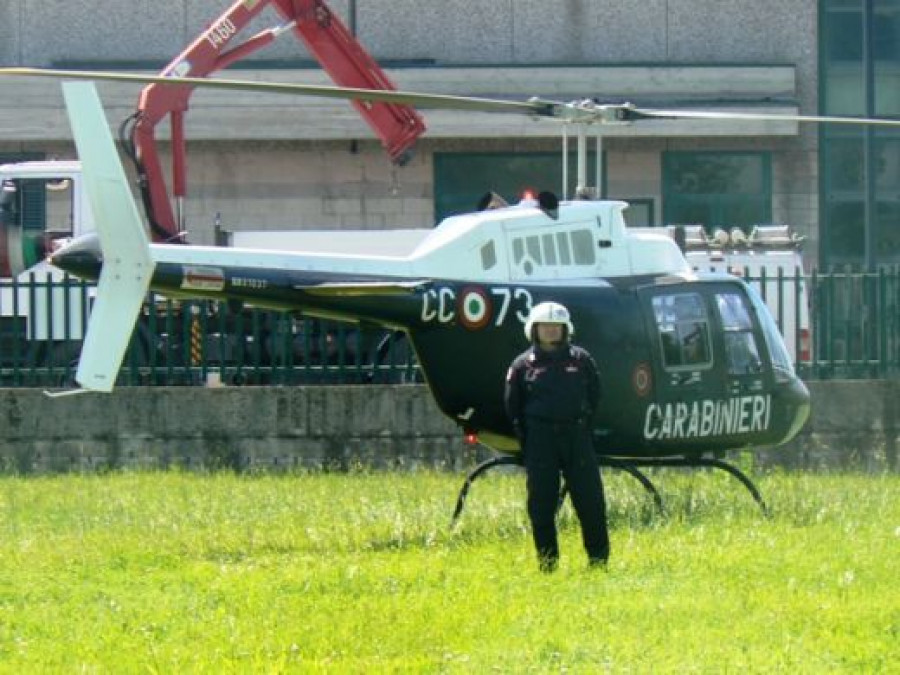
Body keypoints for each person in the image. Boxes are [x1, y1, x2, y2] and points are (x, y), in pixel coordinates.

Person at [504, 301, 610, 572]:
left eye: (557, 327)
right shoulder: (521, 366)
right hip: (541, 441)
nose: (551, 331)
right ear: (534, 330)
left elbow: (595, 396)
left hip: (576, 436)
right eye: (545, 326)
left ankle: (598, 561)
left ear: (566, 330)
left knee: (591, 501)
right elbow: (512, 405)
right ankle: (548, 564)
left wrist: (583, 427)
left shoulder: (582, 360)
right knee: (541, 504)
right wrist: (528, 441)